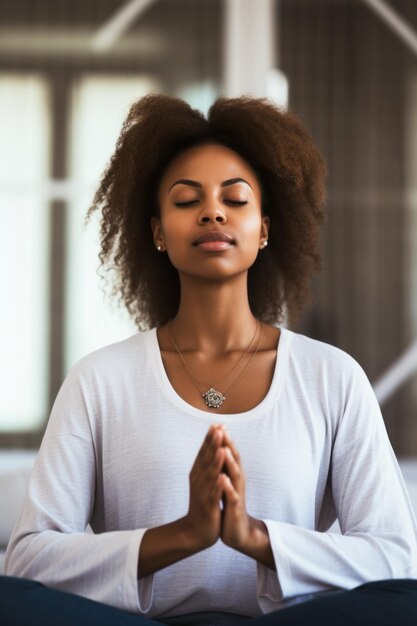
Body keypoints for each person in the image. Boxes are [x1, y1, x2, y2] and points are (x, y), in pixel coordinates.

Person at [2, 94, 417, 626]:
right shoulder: (99, 380)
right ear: (157, 232)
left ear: (264, 229)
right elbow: (29, 559)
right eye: (186, 200)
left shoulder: (332, 378)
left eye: (236, 199)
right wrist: (182, 536)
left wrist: (253, 537)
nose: (213, 211)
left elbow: (397, 559)